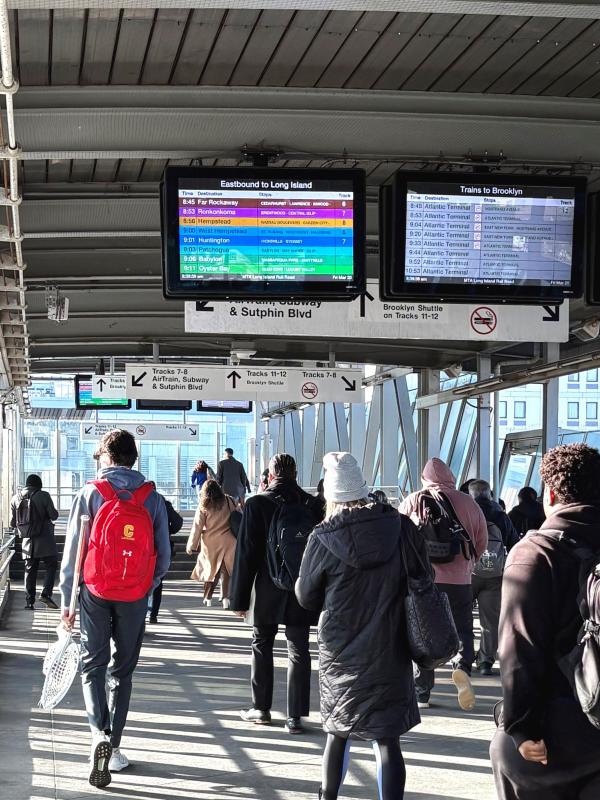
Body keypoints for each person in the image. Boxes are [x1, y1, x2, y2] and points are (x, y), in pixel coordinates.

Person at [297, 452, 427, 800]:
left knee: (338, 732)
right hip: (392, 645)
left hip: (342, 651)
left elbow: (306, 597)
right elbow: (424, 578)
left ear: (330, 495)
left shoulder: (323, 537)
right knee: (387, 738)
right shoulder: (402, 528)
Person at [59, 429, 171, 788]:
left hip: (95, 590)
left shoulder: (90, 492)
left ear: (106, 458)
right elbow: (164, 557)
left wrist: (67, 601)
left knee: (93, 665)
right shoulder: (151, 498)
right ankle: (116, 745)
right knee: (121, 671)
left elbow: (73, 555)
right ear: (133, 458)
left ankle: (98, 736)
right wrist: (145, 588)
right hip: (134, 595)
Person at [491, 443, 600, 800]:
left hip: (559, 731)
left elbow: (518, 650)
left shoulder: (534, 553)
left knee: (503, 749)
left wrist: (521, 728)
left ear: (550, 493)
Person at [229, 453, 323, 734]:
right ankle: (295, 717)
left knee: (261, 643)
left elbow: (245, 553)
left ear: (270, 475)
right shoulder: (312, 505)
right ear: (295, 474)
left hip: (266, 587)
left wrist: (240, 599)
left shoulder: (257, 504)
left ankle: (262, 709)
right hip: (301, 589)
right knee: (299, 648)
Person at [400, 457, 487, 711]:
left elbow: (399, 538)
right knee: (463, 628)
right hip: (460, 580)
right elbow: (480, 540)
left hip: (424, 581)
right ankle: (462, 667)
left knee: (422, 633)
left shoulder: (413, 501)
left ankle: (422, 689)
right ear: (451, 476)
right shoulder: (468, 502)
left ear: (425, 479)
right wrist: (469, 564)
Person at [468, 479, 519, 676]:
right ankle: (485, 662)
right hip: (496, 574)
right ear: (489, 494)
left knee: (462, 616)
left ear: (471, 495)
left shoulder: (467, 513)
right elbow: (514, 543)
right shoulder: (500, 515)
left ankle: (463, 658)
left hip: (468, 573)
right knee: (489, 621)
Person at [11, 474, 59, 610]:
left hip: (27, 541)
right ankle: (45, 593)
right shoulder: (43, 495)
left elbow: (12, 523)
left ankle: (29, 602)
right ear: (39, 485)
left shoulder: (15, 498)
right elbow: (53, 515)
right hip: (45, 539)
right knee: (51, 564)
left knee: (30, 570)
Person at [186, 479, 237, 608]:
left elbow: (197, 526)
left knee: (211, 570)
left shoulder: (204, 505)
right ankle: (226, 599)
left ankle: (208, 598)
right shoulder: (229, 500)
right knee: (226, 571)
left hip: (211, 542)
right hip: (229, 540)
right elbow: (237, 515)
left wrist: (191, 545)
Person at [148, 497, 183, 623]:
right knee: (157, 582)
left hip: (139, 548)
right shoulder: (160, 501)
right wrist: (167, 530)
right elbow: (177, 523)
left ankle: (140, 614)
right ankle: (153, 614)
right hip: (159, 547)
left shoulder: (136, 498)